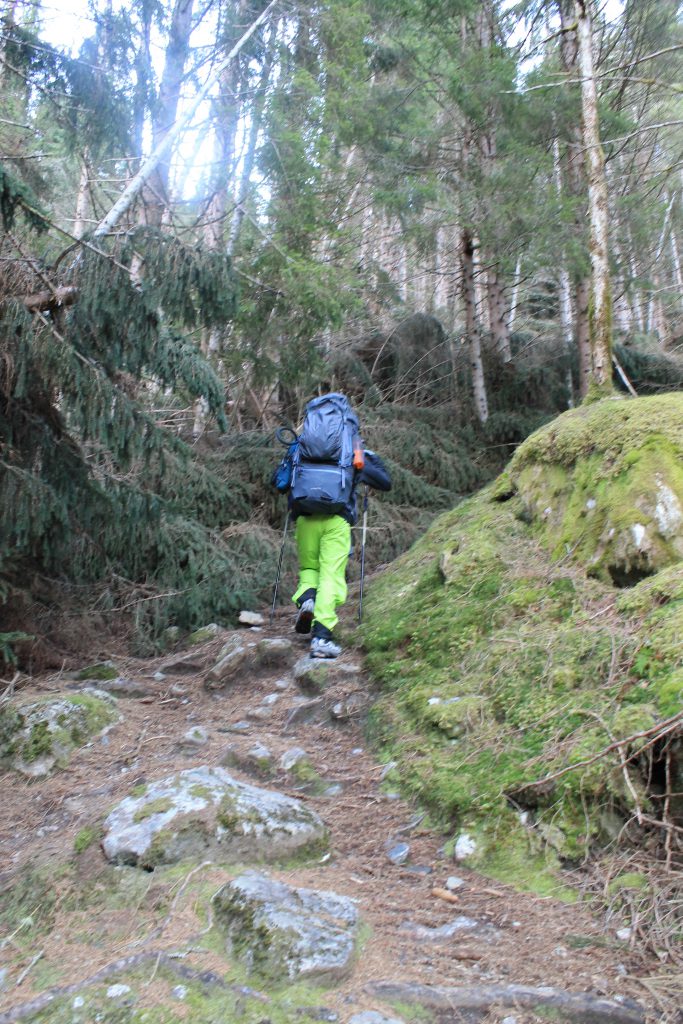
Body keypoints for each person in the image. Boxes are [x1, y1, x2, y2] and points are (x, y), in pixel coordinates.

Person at [273, 393, 391, 659]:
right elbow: (384, 481)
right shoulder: (353, 447)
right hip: (337, 520)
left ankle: (308, 601)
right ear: (347, 420)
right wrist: (367, 462)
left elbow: (279, 482)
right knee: (331, 575)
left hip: (304, 518)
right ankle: (322, 637)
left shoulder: (300, 447)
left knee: (310, 569)